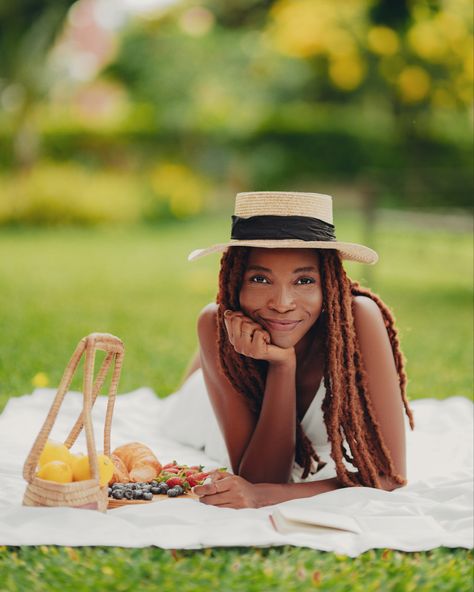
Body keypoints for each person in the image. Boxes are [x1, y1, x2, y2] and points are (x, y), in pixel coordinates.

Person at [182, 191, 414, 509]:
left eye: (304, 281)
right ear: (235, 281)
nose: (282, 304)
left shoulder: (359, 318)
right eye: (260, 279)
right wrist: (282, 367)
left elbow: (389, 476)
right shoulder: (215, 324)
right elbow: (260, 475)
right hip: (200, 410)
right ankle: (199, 367)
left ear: (329, 282)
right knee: (188, 391)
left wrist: (264, 497)